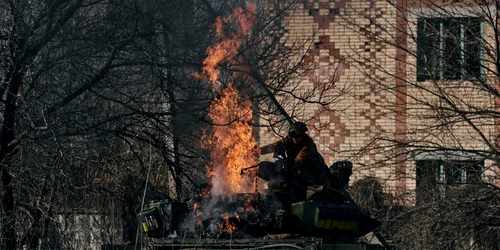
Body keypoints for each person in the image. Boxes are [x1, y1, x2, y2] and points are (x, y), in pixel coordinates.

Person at [259, 122, 331, 201]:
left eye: (297, 137)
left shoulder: (308, 143)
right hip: (299, 170)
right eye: (293, 137)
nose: (295, 139)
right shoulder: (289, 140)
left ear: (302, 135)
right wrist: (257, 151)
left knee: (309, 192)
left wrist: (289, 165)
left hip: (315, 173)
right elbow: (274, 146)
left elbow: (299, 160)